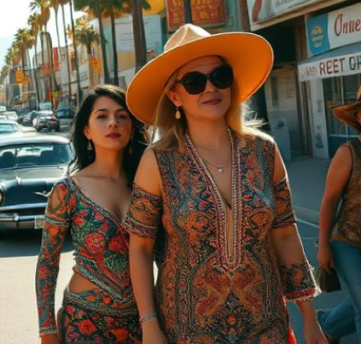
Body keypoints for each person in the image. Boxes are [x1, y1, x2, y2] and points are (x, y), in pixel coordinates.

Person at [123, 24, 323, 344]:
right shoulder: (157, 162)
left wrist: (310, 320)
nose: (209, 88)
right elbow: (140, 249)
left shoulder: (264, 151)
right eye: (193, 82)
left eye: (219, 76)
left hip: (266, 327)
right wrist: (149, 324)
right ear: (174, 95)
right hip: (187, 332)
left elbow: (286, 234)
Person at [36, 85, 149, 343]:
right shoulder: (67, 191)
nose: (113, 123)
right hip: (84, 322)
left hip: (141, 322)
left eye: (122, 116)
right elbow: (47, 263)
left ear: (132, 128)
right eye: (102, 116)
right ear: (87, 130)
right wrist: (47, 330)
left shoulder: (148, 186)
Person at [316, 85, 361, 343]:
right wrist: (323, 245)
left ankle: (329, 325)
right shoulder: (348, 153)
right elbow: (330, 200)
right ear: (358, 116)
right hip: (348, 242)